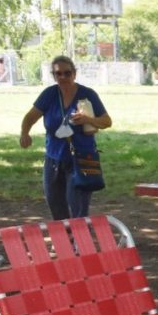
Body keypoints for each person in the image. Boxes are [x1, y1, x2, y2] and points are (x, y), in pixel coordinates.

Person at [19, 56, 112, 220]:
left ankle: (80, 243)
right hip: (53, 159)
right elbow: (30, 117)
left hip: (81, 158)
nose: (63, 77)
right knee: (55, 204)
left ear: (74, 74)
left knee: (78, 207)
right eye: (58, 74)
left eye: (67, 73)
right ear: (54, 76)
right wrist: (25, 133)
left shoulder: (87, 94)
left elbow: (106, 121)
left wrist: (88, 120)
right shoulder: (49, 94)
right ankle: (64, 242)